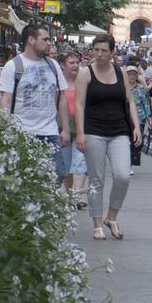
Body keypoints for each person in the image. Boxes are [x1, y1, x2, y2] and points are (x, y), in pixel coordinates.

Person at [75, 34, 141, 241]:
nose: (99, 54)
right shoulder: (85, 73)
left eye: (104, 50)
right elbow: (79, 104)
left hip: (119, 130)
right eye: (96, 49)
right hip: (93, 130)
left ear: (112, 53)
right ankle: (96, 223)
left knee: (122, 176)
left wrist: (137, 126)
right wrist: (80, 132)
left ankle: (111, 217)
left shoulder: (121, 72)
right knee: (97, 179)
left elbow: (129, 101)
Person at [0, 23, 71, 177]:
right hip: (22, 132)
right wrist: (5, 129)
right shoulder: (13, 66)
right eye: (45, 39)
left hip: (49, 131)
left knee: (56, 176)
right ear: (31, 40)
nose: (49, 43)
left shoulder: (53, 65)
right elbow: (5, 100)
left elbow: (62, 98)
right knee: (23, 179)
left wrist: (65, 129)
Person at [58, 50, 88, 203]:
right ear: (63, 65)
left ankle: (78, 195)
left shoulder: (84, 80)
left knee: (81, 161)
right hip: (63, 127)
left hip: (82, 126)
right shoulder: (59, 82)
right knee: (65, 162)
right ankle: (70, 194)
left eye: (77, 62)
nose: (76, 65)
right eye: (72, 63)